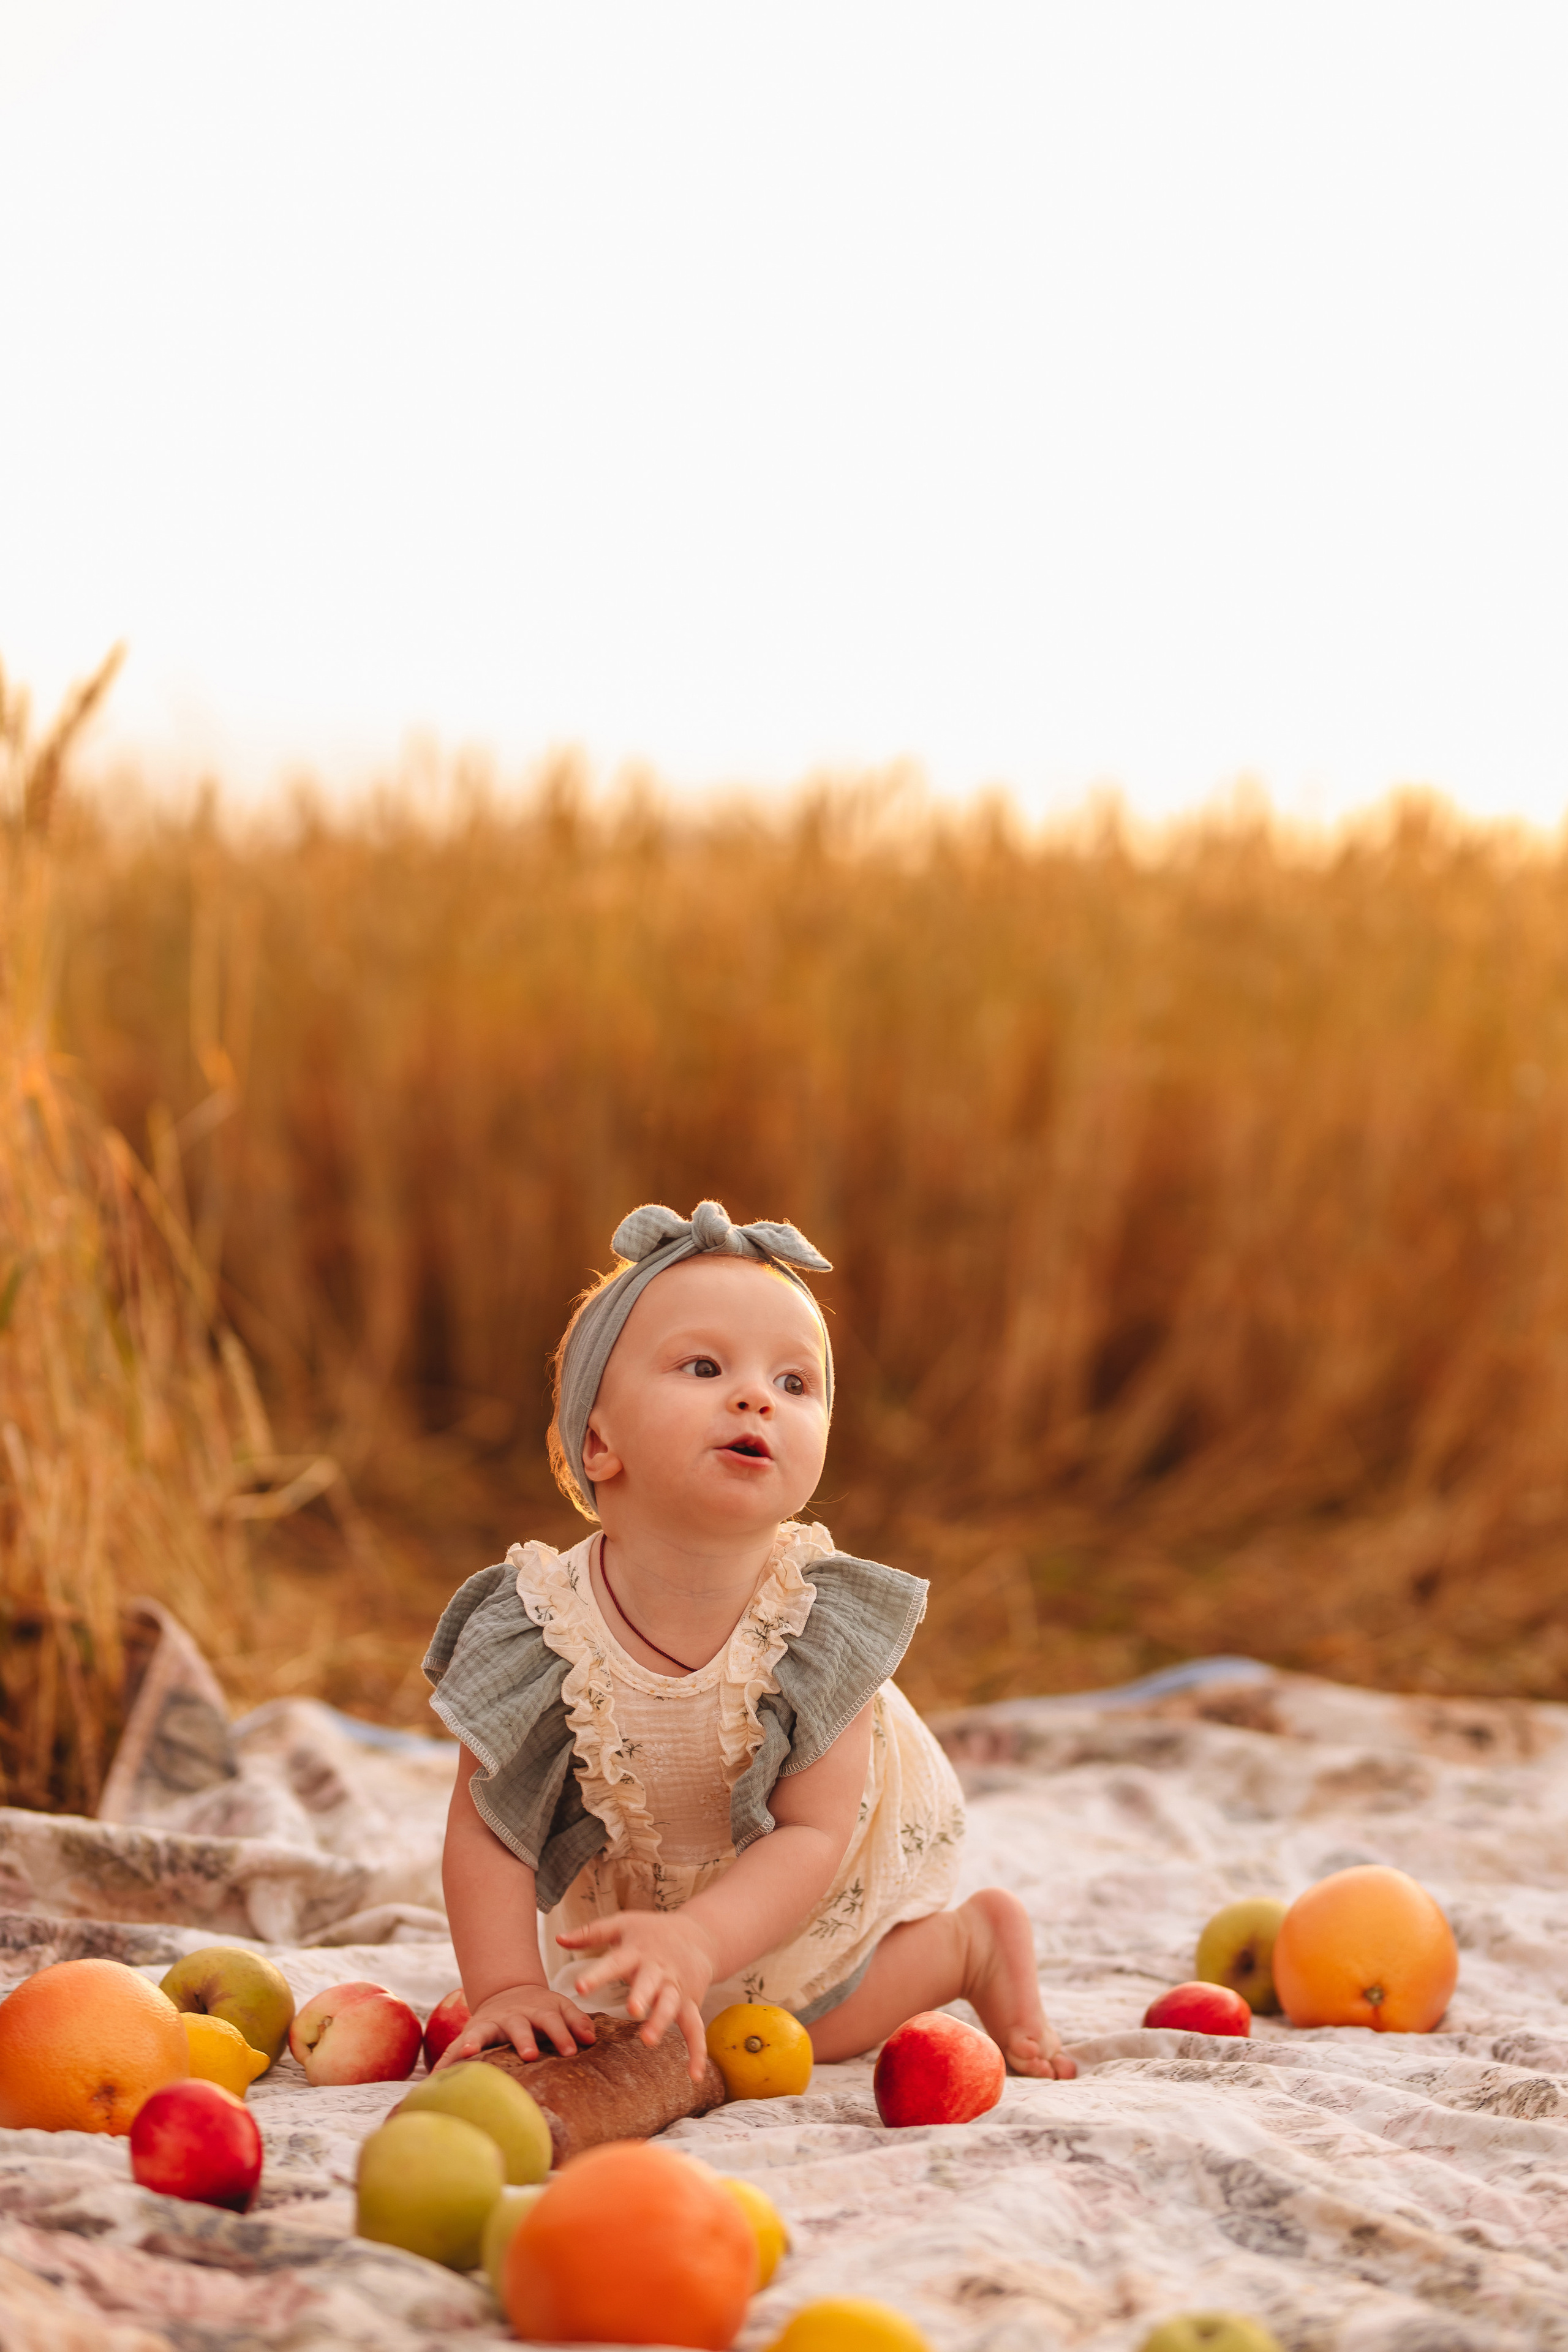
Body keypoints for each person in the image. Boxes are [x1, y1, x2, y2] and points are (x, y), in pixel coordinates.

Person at [426, 1200, 1075, 2084]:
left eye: (796, 1384)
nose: (755, 1397)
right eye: (703, 1366)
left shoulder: (813, 1624)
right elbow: (487, 1830)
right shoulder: (538, 1624)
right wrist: (503, 1986)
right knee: (655, 2027)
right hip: (652, 1883)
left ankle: (969, 1945)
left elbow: (811, 1835)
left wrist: (701, 1937)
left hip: (806, 1869)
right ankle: (703, 1954)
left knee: (807, 2027)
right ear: (598, 1440)